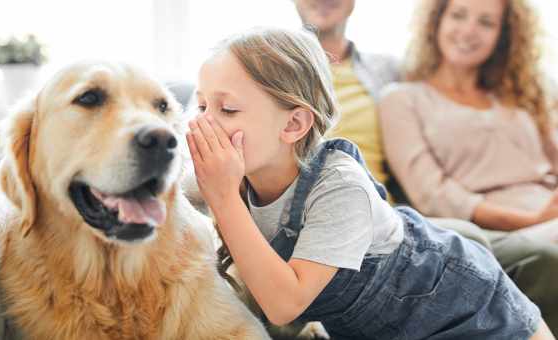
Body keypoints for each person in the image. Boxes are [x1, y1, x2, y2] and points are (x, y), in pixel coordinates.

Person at [186, 26, 553, 339]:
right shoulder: (231, 174)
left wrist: (223, 198)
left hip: (465, 309)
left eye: (228, 110)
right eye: (201, 107)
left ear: (294, 125)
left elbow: (284, 304)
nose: (204, 124)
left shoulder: (339, 185)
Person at [296, 0, 558, 334]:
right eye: (459, 15)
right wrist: (535, 220)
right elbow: (433, 193)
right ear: (435, 22)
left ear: (504, 34)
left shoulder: (524, 92)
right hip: (504, 221)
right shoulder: (403, 96)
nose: (468, 30)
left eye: (487, 23)